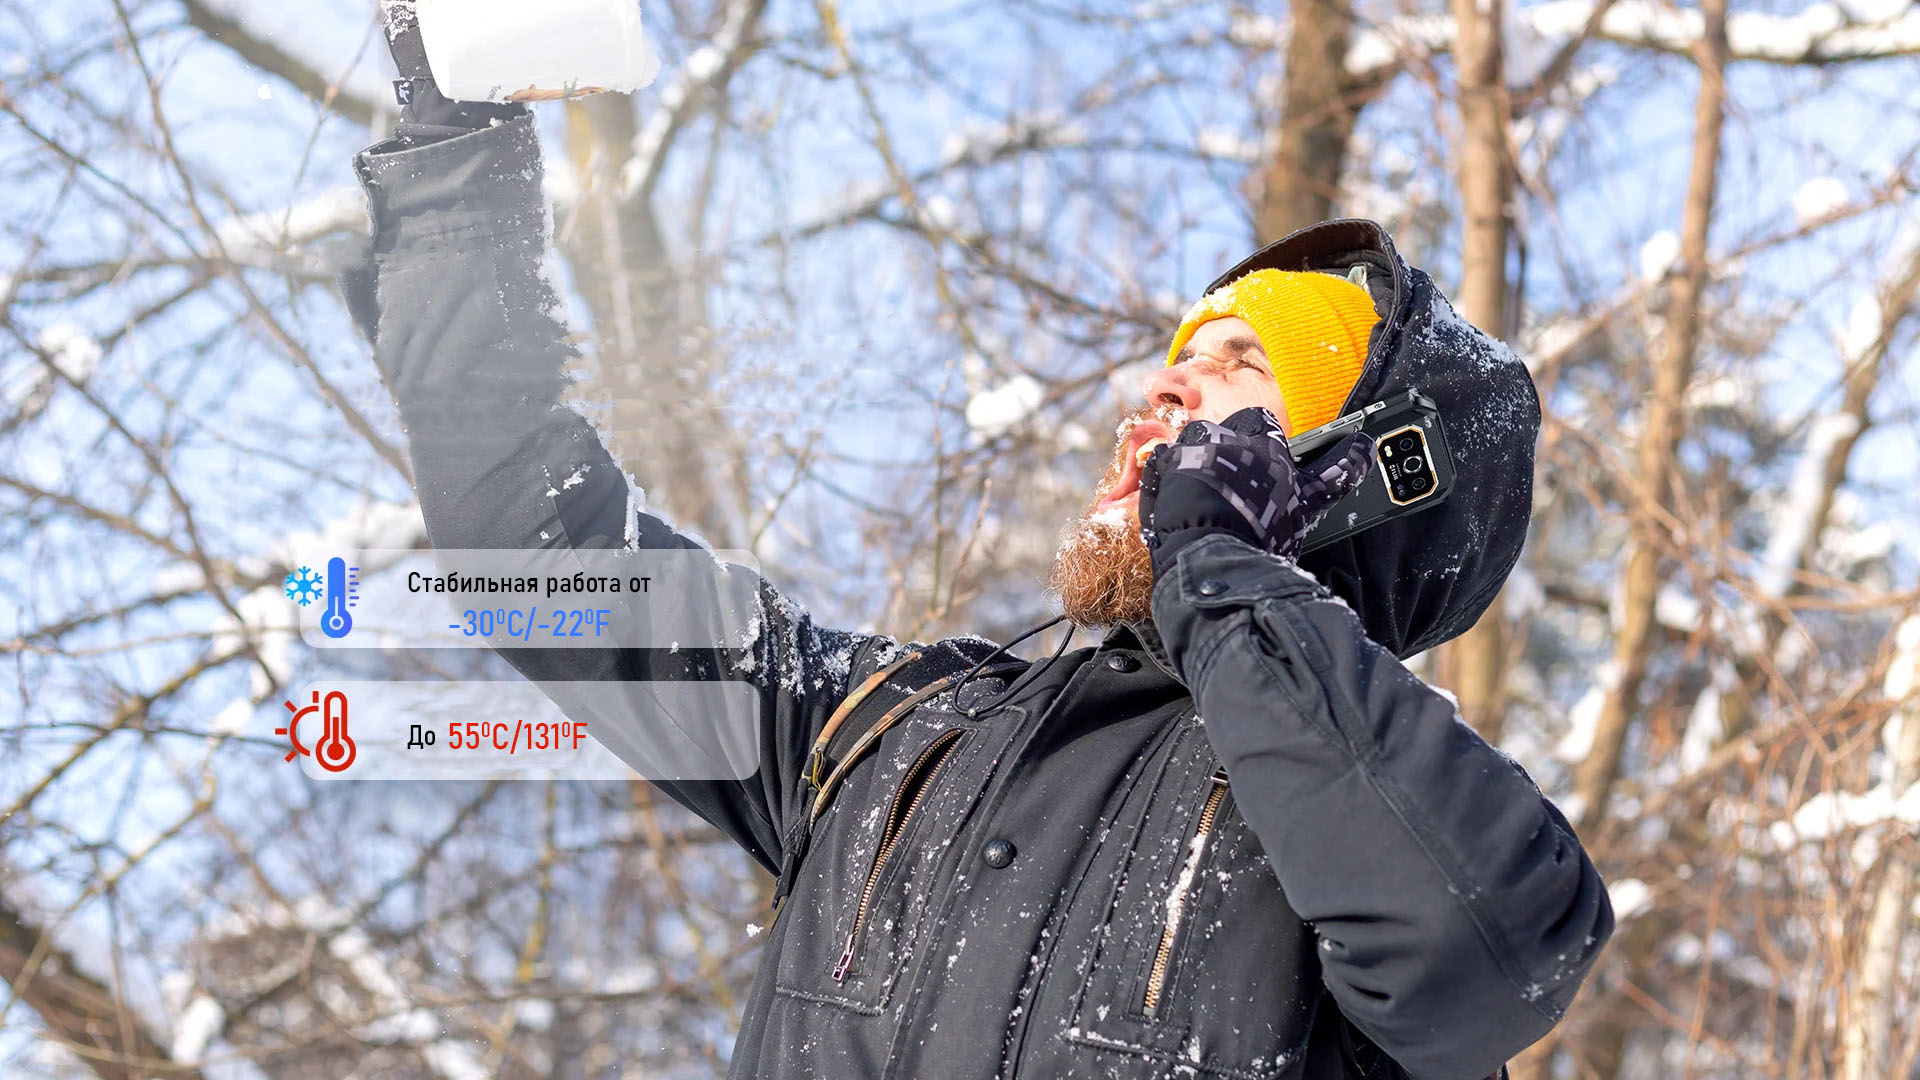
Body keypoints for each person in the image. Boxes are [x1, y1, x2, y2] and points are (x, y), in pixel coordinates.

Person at [339, 11, 1612, 1078]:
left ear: (1361, 474)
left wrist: (1226, 566)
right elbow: (530, 533)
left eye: (1242, 366)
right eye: (1176, 356)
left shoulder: (1382, 848)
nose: (1162, 387)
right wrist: (459, 126)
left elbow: (1487, 952)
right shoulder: (883, 735)